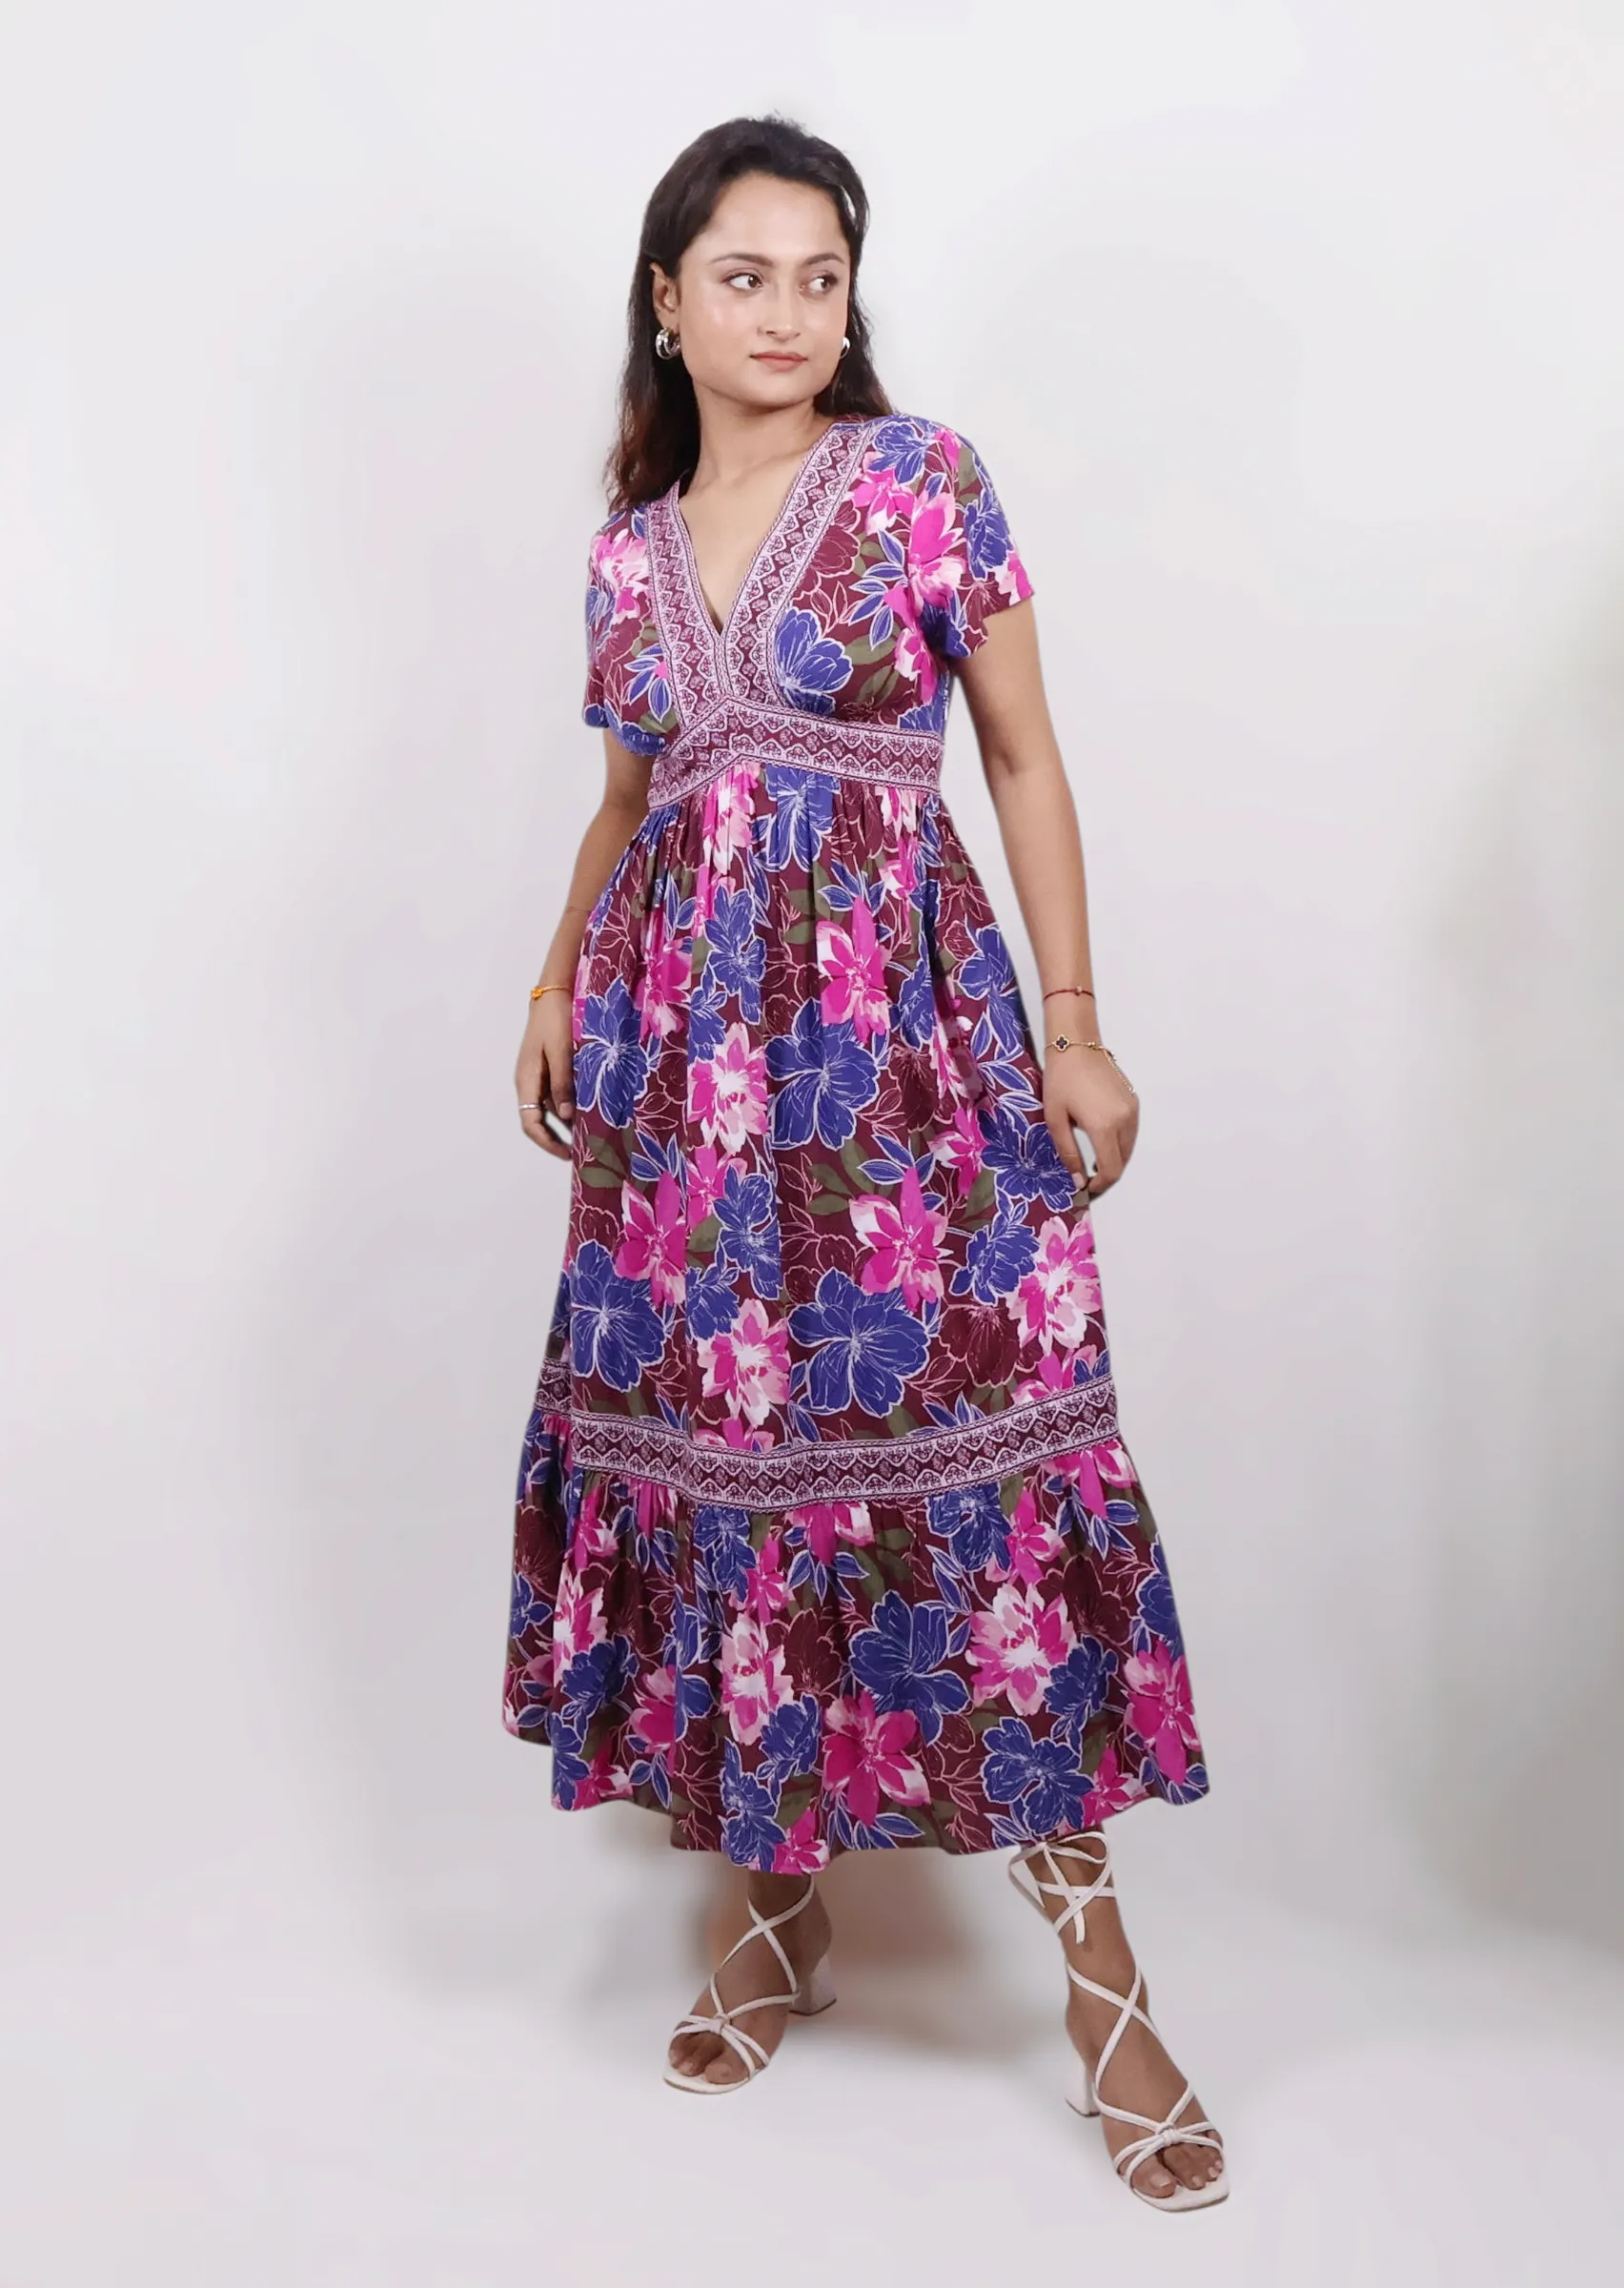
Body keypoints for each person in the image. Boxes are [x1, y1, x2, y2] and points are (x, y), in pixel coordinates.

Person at [504, 113, 1226, 2212]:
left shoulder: (923, 482)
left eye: (821, 277)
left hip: (902, 1065)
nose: (790, 313)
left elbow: (1022, 756)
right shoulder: (626, 555)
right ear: (666, 299)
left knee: (975, 1456)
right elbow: (631, 803)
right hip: (683, 1091)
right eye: (746, 275)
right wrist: (553, 978)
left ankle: (1104, 1990)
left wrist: (1073, 1029)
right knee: (733, 1464)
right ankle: (772, 1910)